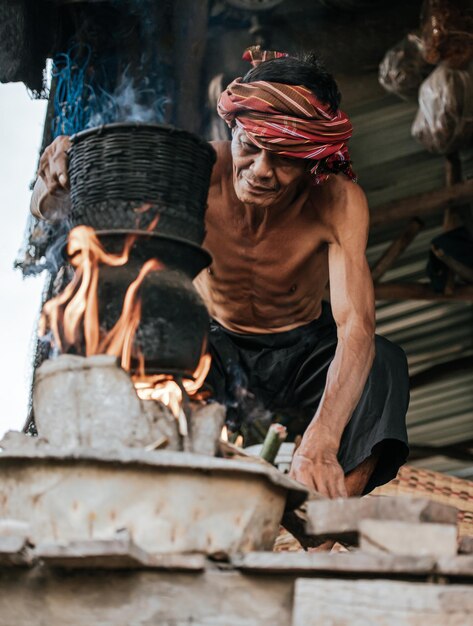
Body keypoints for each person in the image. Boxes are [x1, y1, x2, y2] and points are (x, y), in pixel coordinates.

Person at [32, 51, 409, 499]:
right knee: (142, 347)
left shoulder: (338, 201)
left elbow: (355, 326)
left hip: (302, 353)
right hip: (212, 349)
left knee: (383, 362)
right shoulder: (198, 172)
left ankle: (326, 531)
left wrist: (323, 440)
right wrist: (57, 174)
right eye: (250, 146)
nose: (262, 170)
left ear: (314, 160)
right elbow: (54, 212)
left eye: (285, 158)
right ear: (233, 129)